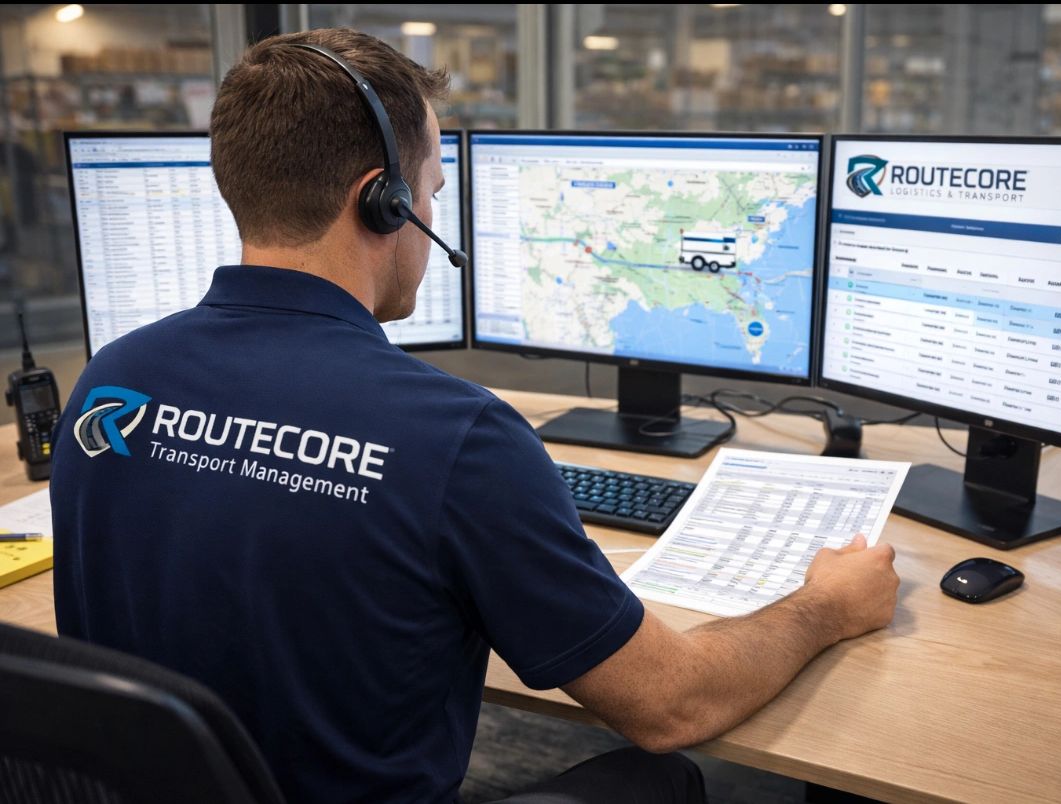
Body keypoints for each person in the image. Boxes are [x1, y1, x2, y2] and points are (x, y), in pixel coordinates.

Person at [50, 27, 899, 804]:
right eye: (431, 189)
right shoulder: (452, 436)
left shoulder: (111, 385)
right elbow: (670, 703)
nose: (431, 212)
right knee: (665, 777)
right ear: (383, 201)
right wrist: (824, 604)